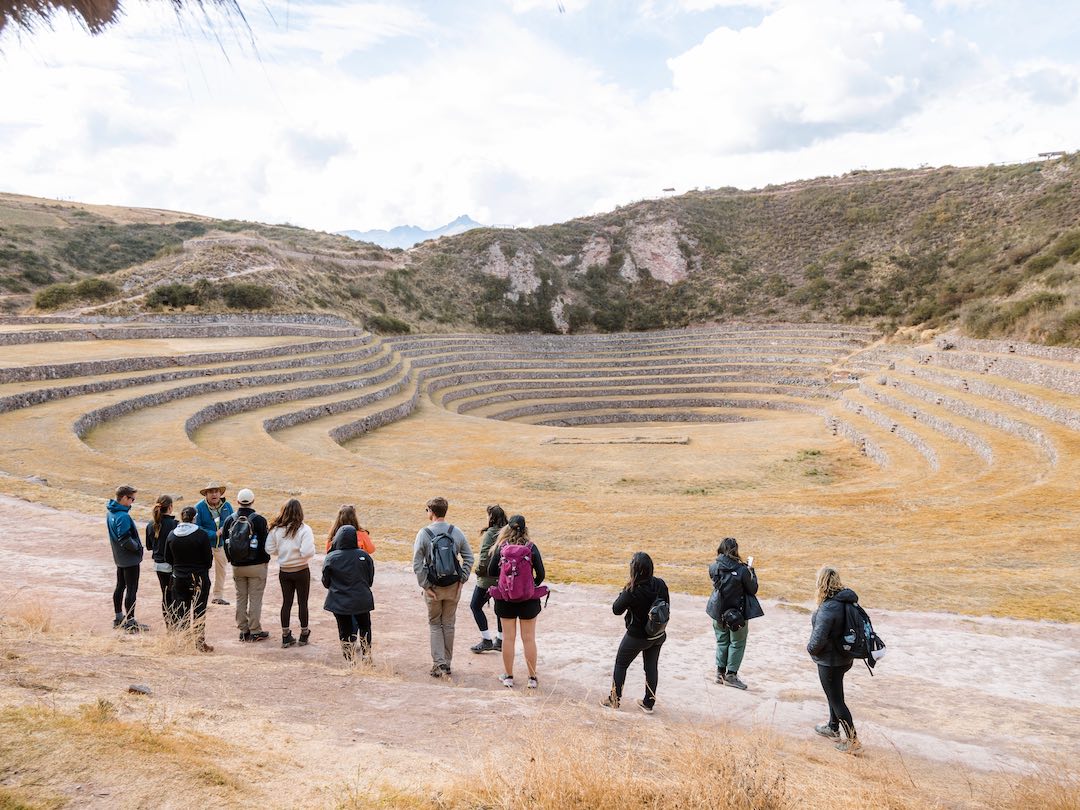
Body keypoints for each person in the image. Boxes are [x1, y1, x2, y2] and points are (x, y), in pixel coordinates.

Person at [411, 496, 474, 678]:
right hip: (453, 587)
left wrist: (425, 585)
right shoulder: (457, 532)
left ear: (431, 511)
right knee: (449, 624)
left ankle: (438, 664)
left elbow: (417, 563)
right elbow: (469, 557)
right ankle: (447, 663)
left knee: (434, 624)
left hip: (434, 587)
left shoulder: (423, 533)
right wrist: (462, 580)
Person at [600, 552, 669, 713]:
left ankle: (614, 700)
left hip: (637, 636)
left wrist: (624, 591)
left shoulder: (632, 590)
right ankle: (649, 703)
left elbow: (616, 609)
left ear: (634, 570)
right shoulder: (660, 584)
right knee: (651, 667)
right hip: (658, 634)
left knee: (621, 664)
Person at [486, 514, 545, 689]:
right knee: (529, 639)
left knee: (509, 639)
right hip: (528, 600)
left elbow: (490, 571)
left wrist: (507, 583)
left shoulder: (501, 547)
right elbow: (541, 574)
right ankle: (532, 678)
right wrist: (528, 585)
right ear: (525, 529)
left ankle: (508, 676)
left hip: (506, 600)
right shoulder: (531, 547)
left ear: (508, 528)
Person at [807, 566, 861, 754]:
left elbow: (817, 641)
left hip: (830, 661)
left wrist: (810, 650)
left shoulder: (828, 608)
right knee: (835, 694)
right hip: (845, 658)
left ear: (821, 583)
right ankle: (832, 727)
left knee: (837, 700)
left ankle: (853, 741)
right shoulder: (847, 600)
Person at [706, 537, 763, 690]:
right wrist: (752, 572)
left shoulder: (713, 567)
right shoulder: (742, 570)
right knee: (737, 643)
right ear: (735, 550)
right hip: (738, 613)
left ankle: (720, 673)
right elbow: (753, 589)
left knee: (722, 641)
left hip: (718, 611)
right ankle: (731, 675)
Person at [266, 498, 316, 648]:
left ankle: (285, 635)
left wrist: (282, 553)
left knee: (286, 603)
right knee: (303, 603)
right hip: (301, 570)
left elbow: (269, 549)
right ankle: (304, 633)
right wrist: (300, 556)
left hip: (285, 571)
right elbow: (307, 551)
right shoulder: (304, 529)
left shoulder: (276, 529)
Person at [221, 488, 270, 642]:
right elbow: (265, 544)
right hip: (257, 565)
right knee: (255, 598)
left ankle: (243, 630)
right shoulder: (259, 520)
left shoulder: (230, 519)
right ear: (253, 501)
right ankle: (255, 630)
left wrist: (231, 559)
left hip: (237, 566)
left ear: (237, 502)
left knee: (240, 598)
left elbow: (225, 543)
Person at [164, 505, 214, 652]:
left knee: (182, 611)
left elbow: (168, 558)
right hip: (198, 577)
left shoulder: (172, 534)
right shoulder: (201, 534)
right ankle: (199, 643)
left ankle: (184, 643)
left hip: (179, 577)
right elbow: (208, 560)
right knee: (199, 610)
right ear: (194, 518)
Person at [322, 525, 375, 662]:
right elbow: (370, 580)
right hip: (361, 599)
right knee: (365, 627)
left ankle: (350, 659)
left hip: (339, 601)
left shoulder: (331, 557)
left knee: (344, 630)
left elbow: (326, 582)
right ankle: (366, 655)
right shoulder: (364, 556)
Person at [106, 484, 147, 633]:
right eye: (132, 499)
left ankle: (118, 618)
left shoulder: (111, 512)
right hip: (129, 559)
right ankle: (130, 622)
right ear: (124, 498)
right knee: (131, 589)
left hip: (119, 557)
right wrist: (137, 547)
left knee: (120, 586)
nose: (132, 502)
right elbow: (124, 538)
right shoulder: (123, 516)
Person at [470, 504, 507, 654]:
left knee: (475, 606)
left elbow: (484, 556)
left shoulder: (490, 533)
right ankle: (500, 640)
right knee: (500, 609)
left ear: (491, 517)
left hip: (487, 579)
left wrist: (478, 571)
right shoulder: (507, 532)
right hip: (503, 578)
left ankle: (486, 640)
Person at [194, 483, 234, 605]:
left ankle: (218, 596)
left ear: (220, 493)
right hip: (204, 546)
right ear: (206, 494)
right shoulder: (199, 507)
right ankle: (199, 596)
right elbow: (196, 527)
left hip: (220, 545)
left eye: (216, 491)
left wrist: (224, 529)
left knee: (221, 570)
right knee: (202, 570)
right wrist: (213, 534)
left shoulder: (227, 506)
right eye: (211, 492)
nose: (214, 494)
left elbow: (233, 520)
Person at [144, 494, 179, 628]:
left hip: (158, 565)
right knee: (174, 596)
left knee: (165, 595)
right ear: (170, 507)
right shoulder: (174, 524)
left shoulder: (151, 524)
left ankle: (168, 625)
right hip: (171, 565)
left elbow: (149, 546)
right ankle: (176, 624)